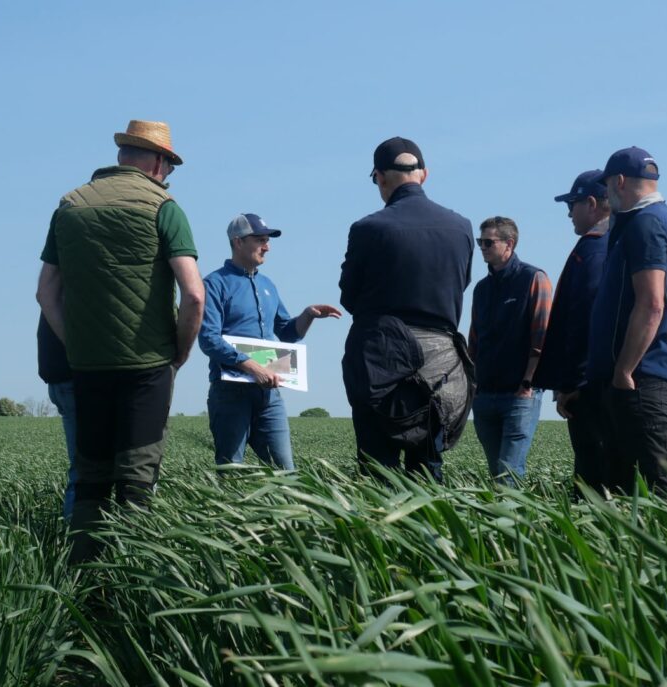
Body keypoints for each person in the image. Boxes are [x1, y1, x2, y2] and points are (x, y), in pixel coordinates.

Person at [36, 120, 205, 562]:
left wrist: (75, 345)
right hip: (146, 367)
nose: (168, 175)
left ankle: (84, 584)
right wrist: (178, 354)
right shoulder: (164, 207)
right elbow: (193, 294)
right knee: (137, 481)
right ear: (156, 161)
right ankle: (132, 581)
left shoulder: (68, 207)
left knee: (90, 478)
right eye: (169, 165)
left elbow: (45, 293)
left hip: (87, 367)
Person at [339, 136, 475, 483]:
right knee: (428, 468)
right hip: (441, 364)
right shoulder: (461, 227)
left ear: (380, 178)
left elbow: (349, 297)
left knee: (377, 467)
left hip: (380, 361)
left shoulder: (369, 229)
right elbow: (461, 285)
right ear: (424, 175)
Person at [198, 213, 340, 471]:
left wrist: (308, 315)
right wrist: (251, 365)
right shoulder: (214, 284)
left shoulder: (268, 285)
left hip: (269, 393)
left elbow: (287, 333)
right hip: (230, 392)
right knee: (232, 471)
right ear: (238, 242)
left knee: (285, 471)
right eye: (260, 240)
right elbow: (208, 338)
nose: (267, 246)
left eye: (267, 240)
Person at [586, 147, 667, 503]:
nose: (606, 194)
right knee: (627, 490)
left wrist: (624, 370)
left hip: (644, 377)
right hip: (635, 376)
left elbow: (651, 303)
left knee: (658, 490)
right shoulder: (638, 222)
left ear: (620, 181)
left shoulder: (647, 223)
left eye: (608, 185)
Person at [535, 170, 612, 498]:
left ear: (592, 203)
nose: (569, 212)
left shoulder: (594, 248)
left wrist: (573, 384)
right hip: (604, 380)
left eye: (573, 204)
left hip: (589, 387)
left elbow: (585, 317)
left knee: (591, 479)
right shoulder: (616, 241)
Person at [468, 216, 552, 485]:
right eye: (480, 241)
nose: (482, 247)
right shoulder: (481, 289)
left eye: (488, 242)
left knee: (508, 474)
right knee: (497, 474)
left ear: (509, 244)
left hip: (519, 394)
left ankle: (515, 524)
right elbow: (474, 340)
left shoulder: (533, 278)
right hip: (485, 395)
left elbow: (542, 335)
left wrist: (527, 383)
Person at [37, 313, 77, 521]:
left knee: (82, 470)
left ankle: (75, 543)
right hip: (78, 375)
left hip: (60, 373)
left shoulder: (56, 282)